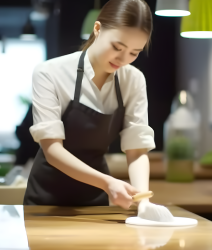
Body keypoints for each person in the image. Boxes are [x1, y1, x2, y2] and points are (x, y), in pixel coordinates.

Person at [24, 0, 158, 210]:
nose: (123, 59)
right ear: (97, 29)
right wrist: (107, 182)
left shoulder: (133, 79)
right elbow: (52, 150)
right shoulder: (49, 73)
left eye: (134, 53)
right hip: (46, 199)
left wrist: (143, 201)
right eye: (117, 47)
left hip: (94, 200)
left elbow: (137, 149)